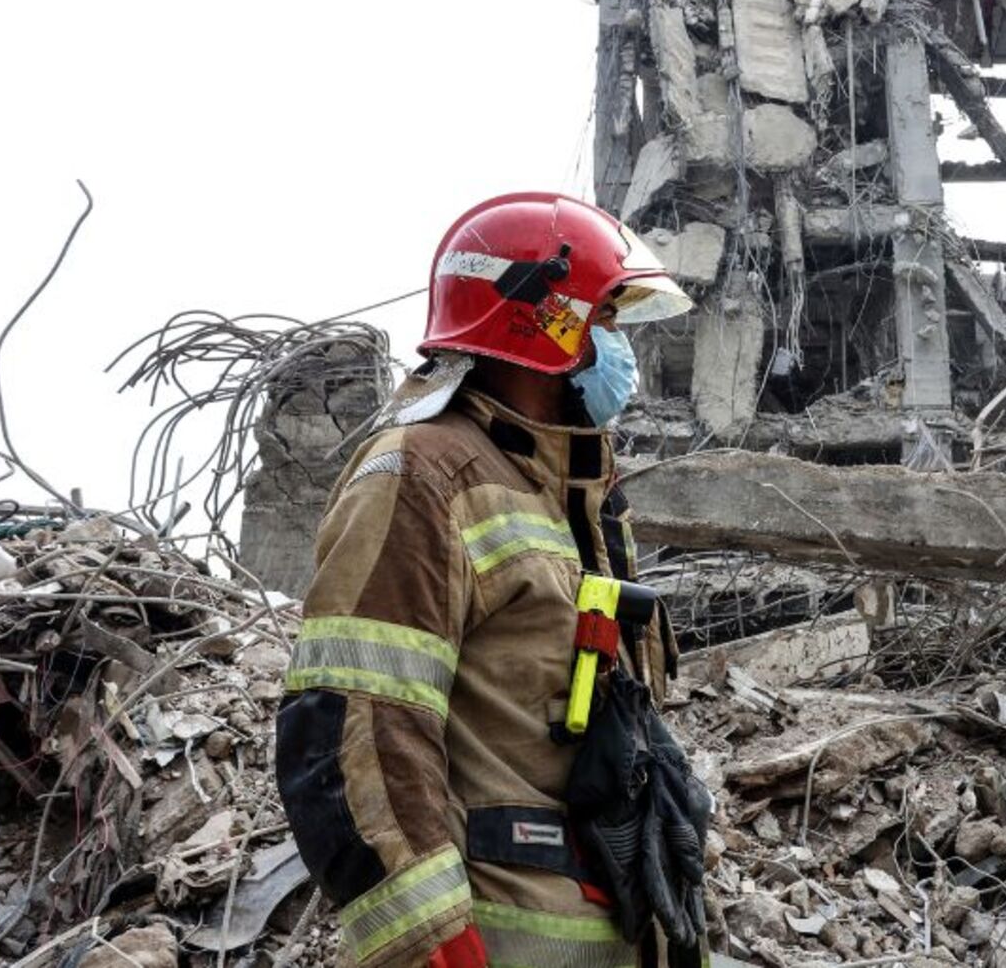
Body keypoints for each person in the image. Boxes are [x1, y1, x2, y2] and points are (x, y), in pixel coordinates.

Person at [275, 193, 702, 968]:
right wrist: (436, 950)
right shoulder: (421, 476)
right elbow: (357, 735)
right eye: (604, 320)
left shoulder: (579, 490)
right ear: (543, 323)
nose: (617, 348)